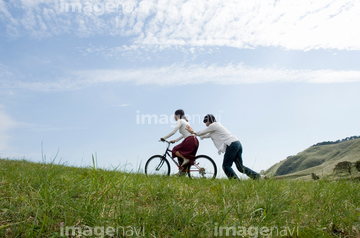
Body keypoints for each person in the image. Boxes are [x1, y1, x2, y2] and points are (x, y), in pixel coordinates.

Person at [186, 114, 260, 180]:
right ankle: (259, 177)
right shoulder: (215, 128)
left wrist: (192, 131)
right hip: (237, 143)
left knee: (226, 166)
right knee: (240, 167)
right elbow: (204, 135)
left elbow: (202, 132)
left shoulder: (213, 125)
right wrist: (193, 133)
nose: (206, 124)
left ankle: (236, 183)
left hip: (231, 144)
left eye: (206, 122)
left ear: (209, 121)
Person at [161, 109, 199, 176]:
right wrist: (175, 140)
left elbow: (173, 131)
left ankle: (185, 159)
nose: (174, 117)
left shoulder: (180, 121)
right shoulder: (186, 122)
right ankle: (182, 171)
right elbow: (183, 134)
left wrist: (164, 138)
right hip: (194, 140)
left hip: (189, 140)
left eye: (174, 115)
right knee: (180, 154)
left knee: (175, 150)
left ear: (177, 115)